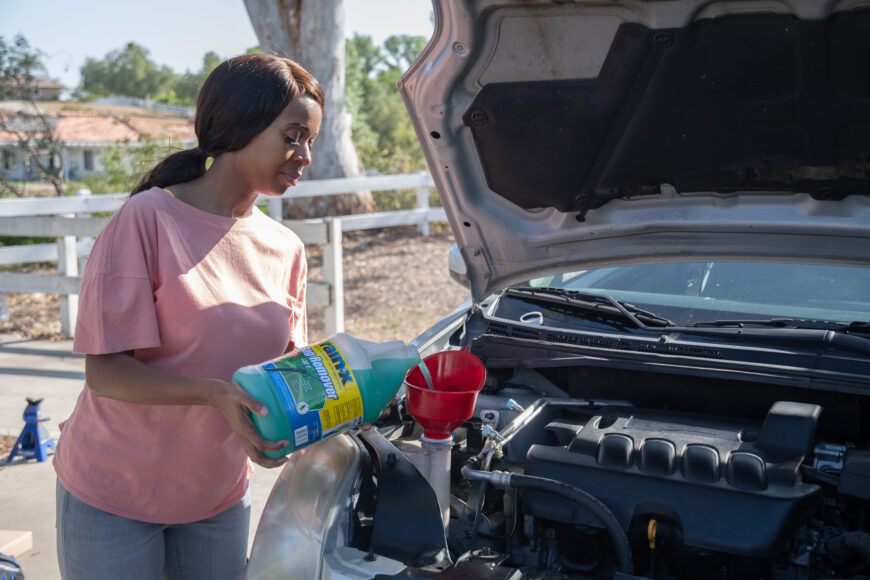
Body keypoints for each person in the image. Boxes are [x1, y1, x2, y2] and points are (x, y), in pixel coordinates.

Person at [52, 53, 324, 580]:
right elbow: (104, 373)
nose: (304, 155)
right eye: (293, 136)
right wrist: (211, 393)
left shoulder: (285, 247)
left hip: (216, 499)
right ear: (239, 125)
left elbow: (285, 372)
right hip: (113, 495)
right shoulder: (147, 220)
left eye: (310, 140)